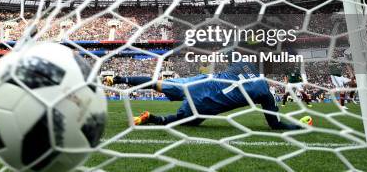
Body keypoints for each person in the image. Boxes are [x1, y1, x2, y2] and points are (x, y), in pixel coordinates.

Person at [104, 61, 311, 129]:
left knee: (155, 83)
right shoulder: (265, 93)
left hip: (197, 84)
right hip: (206, 105)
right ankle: (151, 118)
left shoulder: (244, 62)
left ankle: (120, 79)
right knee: (184, 122)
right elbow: (275, 125)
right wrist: (299, 126)